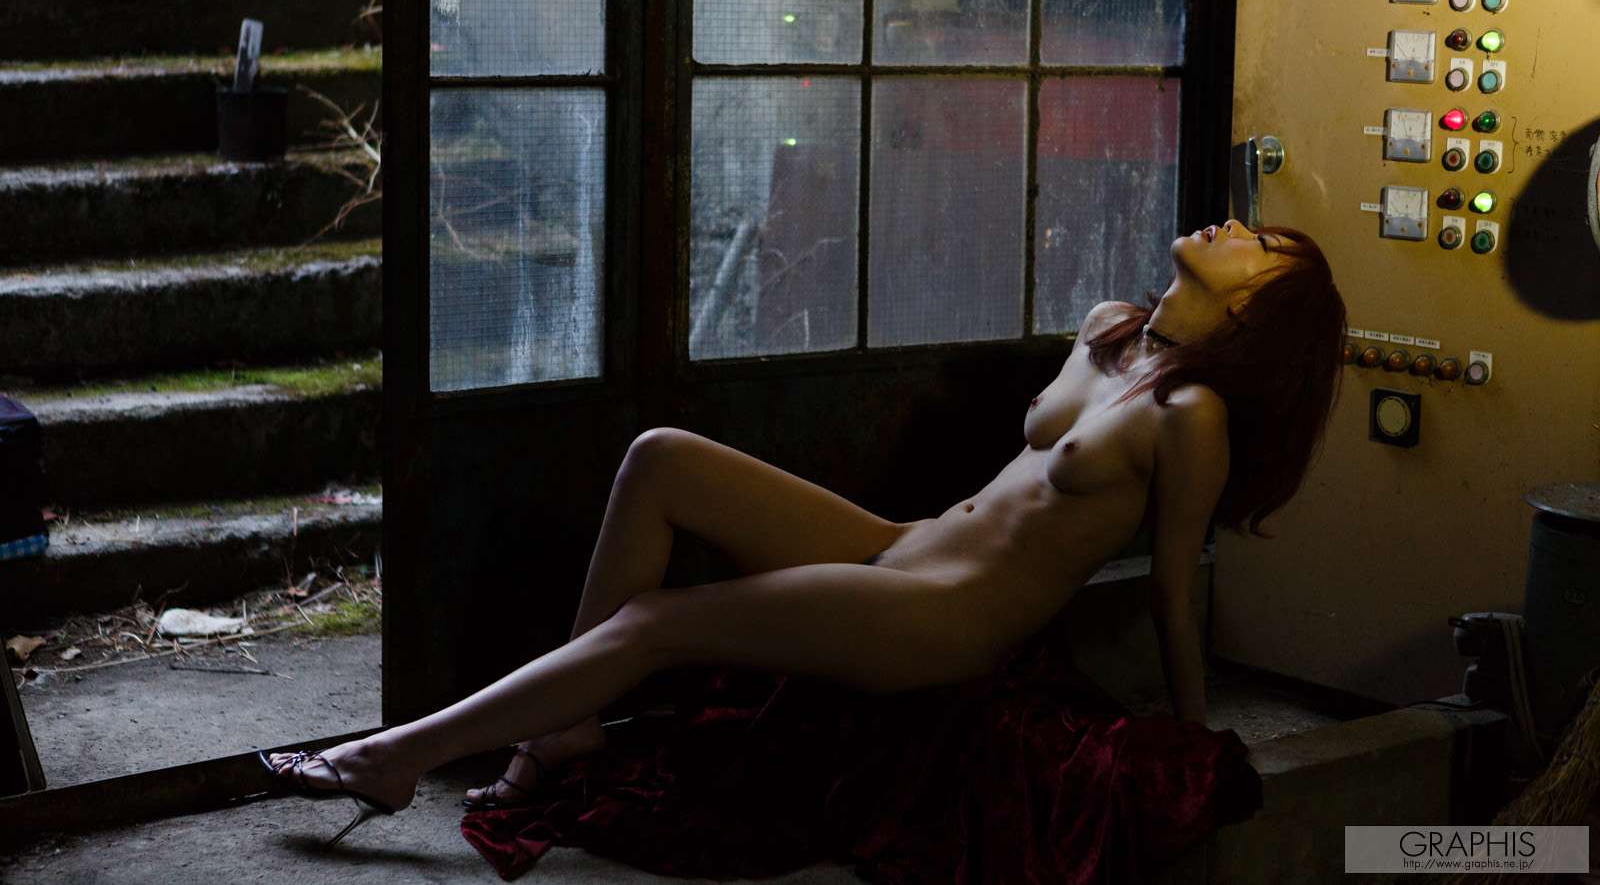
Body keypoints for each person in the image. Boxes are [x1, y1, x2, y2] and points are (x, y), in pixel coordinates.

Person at [261, 217, 1347, 848]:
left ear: (1256, 311)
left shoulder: (1192, 416)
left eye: (1256, 246)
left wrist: (1195, 743)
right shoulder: (1114, 331)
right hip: (902, 544)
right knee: (659, 456)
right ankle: (567, 728)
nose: (1229, 227)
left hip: (949, 618)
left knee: (658, 621)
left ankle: (395, 756)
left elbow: (1171, 587)